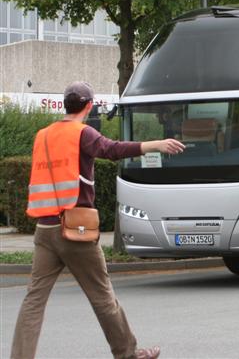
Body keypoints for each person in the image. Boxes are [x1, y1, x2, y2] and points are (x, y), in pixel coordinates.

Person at [11, 82, 185, 359]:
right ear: (89, 106)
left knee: (34, 299)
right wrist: (155, 144)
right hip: (74, 230)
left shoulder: (42, 135)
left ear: (66, 104)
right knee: (102, 296)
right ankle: (127, 353)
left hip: (44, 229)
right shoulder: (82, 133)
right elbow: (112, 149)